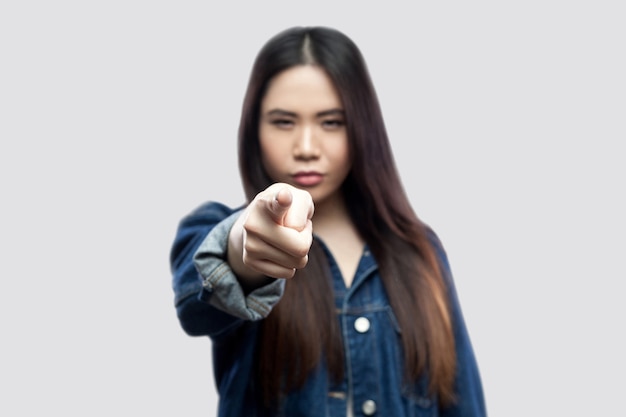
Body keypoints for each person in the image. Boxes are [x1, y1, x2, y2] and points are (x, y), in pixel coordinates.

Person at [170, 26, 486, 417]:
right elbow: (199, 293)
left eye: (331, 122)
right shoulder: (216, 226)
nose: (306, 148)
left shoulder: (421, 253)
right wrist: (246, 251)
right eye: (284, 122)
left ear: (363, 129)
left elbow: (463, 404)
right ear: (253, 131)